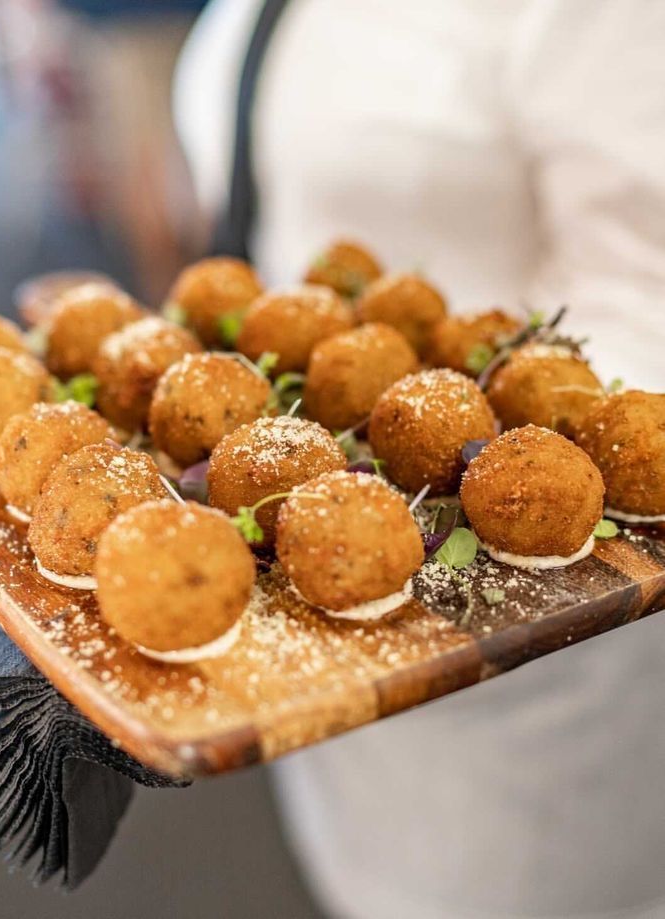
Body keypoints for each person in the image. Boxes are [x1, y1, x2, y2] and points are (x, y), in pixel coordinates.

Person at [174, 2, 665, 917]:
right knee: (351, 869)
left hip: (519, 628)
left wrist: (470, 478)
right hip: (314, 556)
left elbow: (651, 285)